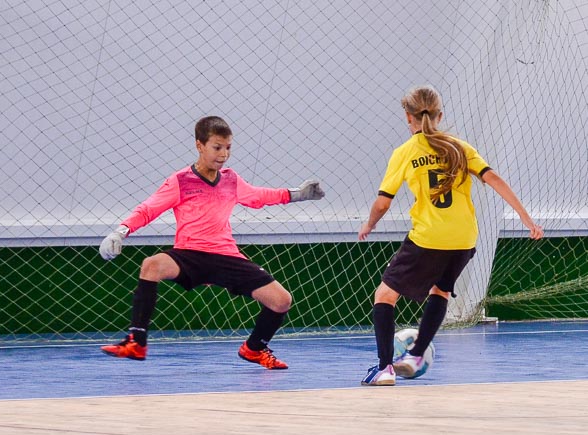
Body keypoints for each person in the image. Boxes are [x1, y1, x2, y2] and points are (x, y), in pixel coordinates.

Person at [99, 116, 325, 369]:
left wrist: (297, 195)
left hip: (226, 255)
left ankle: (254, 349)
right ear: (200, 145)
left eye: (228, 147)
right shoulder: (180, 180)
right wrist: (120, 232)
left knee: (281, 300)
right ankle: (136, 342)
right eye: (217, 147)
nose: (224, 154)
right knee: (152, 265)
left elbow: (259, 196)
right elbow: (148, 209)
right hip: (190, 254)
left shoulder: (231, 179)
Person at [358, 85, 543, 386]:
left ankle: (384, 368)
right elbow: (493, 178)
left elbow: (383, 202)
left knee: (385, 295)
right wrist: (526, 218)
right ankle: (416, 354)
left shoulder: (405, 153)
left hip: (429, 236)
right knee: (440, 291)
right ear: (440, 115)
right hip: (464, 238)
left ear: (408, 118)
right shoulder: (459, 147)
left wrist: (369, 224)